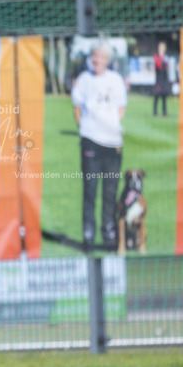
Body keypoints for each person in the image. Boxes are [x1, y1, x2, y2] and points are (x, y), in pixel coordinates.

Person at [71, 42, 127, 249]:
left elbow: (121, 108)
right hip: (91, 143)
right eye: (95, 56)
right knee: (90, 190)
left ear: (108, 60)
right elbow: (77, 106)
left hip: (113, 146)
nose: (97, 60)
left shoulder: (116, 80)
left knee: (110, 192)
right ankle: (88, 233)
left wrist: (110, 126)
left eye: (101, 57)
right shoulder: (84, 80)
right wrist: (86, 128)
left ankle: (109, 233)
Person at [152, 41, 171, 117]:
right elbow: (158, 65)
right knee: (156, 95)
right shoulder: (156, 57)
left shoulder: (166, 57)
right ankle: (155, 112)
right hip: (158, 79)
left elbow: (166, 68)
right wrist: (161, 57)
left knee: (164, 96)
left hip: (164, 79)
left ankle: (164, 112)